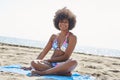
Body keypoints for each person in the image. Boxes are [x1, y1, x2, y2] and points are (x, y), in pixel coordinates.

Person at [22, 7, 78, 76]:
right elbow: (43, 52)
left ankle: (43, 73)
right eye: (61, 21)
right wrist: (30, 67)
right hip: (50, 65)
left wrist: (49, 60)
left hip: (63, 64)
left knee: (74, 62)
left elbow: (66, 57)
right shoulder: (54, 36)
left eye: (65, 22)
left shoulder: (72, 37)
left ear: (70, 23)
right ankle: (60, 72)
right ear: (57, 22)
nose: (63, 24)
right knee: (33, 62)